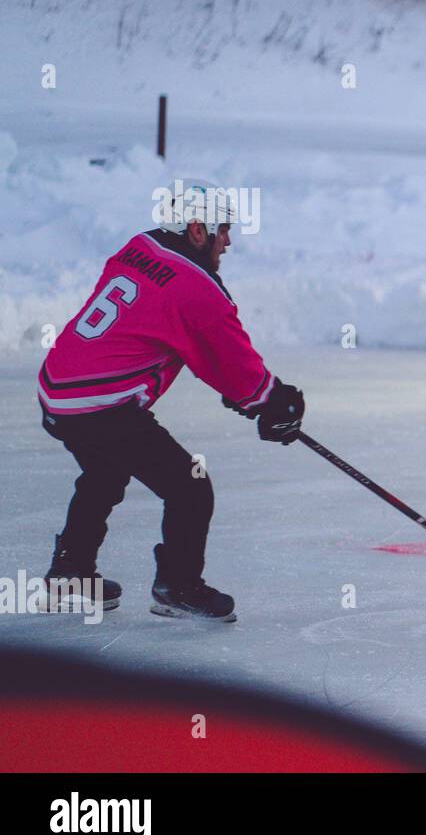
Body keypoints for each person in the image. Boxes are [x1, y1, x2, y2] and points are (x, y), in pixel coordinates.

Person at [37, 180, 305, 622]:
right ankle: (178, 587)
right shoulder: (199, 288)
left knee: (105, 472)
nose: (229, 241)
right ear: (197, 229)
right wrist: (274, 402)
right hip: (101, 405)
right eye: (224, 230)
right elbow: (236, 366)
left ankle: (69, 571)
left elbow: (177, 338)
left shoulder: (139, 246)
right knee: (190, 487)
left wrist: (243, 394)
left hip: (56, 389)